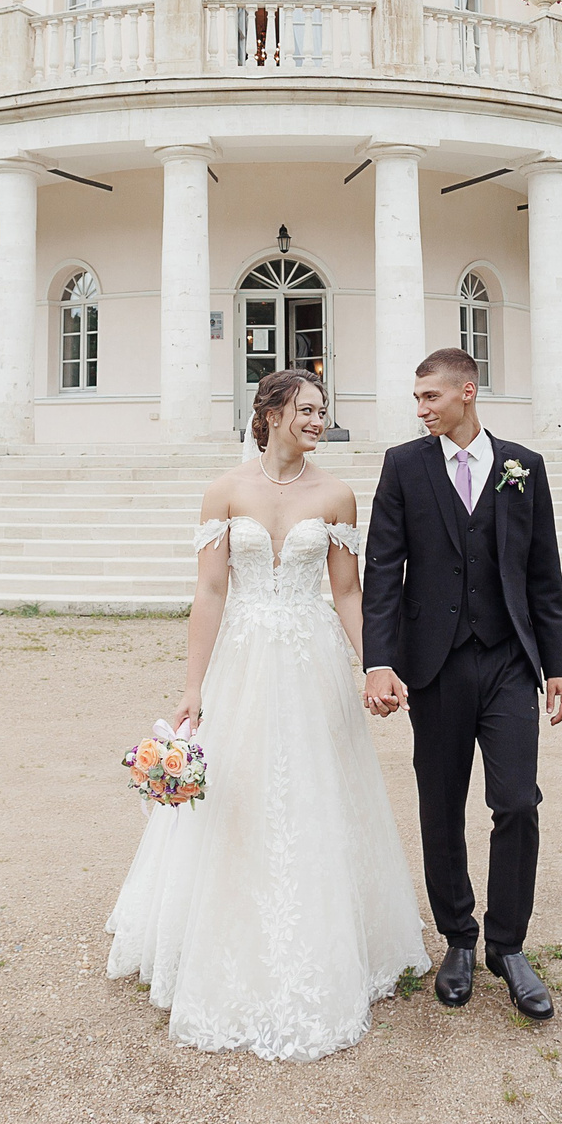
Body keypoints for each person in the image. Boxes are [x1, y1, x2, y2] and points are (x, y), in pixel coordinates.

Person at [104, 370, 426, 1060]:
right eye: (307, 409)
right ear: (274, 412)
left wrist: (376, 665)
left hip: (311, 662)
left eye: (322, 410)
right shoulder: (224, 490)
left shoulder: (337, 494)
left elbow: (347, 592)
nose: (318, 419)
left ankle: (329, 937)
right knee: (242, 794)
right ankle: (220, 936)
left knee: (317, 793)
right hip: (243, 663)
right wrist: (192, 687)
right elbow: (211, 590)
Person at [361, 347, 562, 1020]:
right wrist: (379, 660)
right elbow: (383, 570)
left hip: (510, 658)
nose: (419, 408)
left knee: (516, 801)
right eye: (417, 397)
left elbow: (544, 574)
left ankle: (508, 946)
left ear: (467, 392)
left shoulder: (523, 466)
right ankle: (459, 936)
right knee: (441, 802)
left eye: (429, 396)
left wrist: (559, 664)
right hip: (436, 664)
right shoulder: (403, 466)